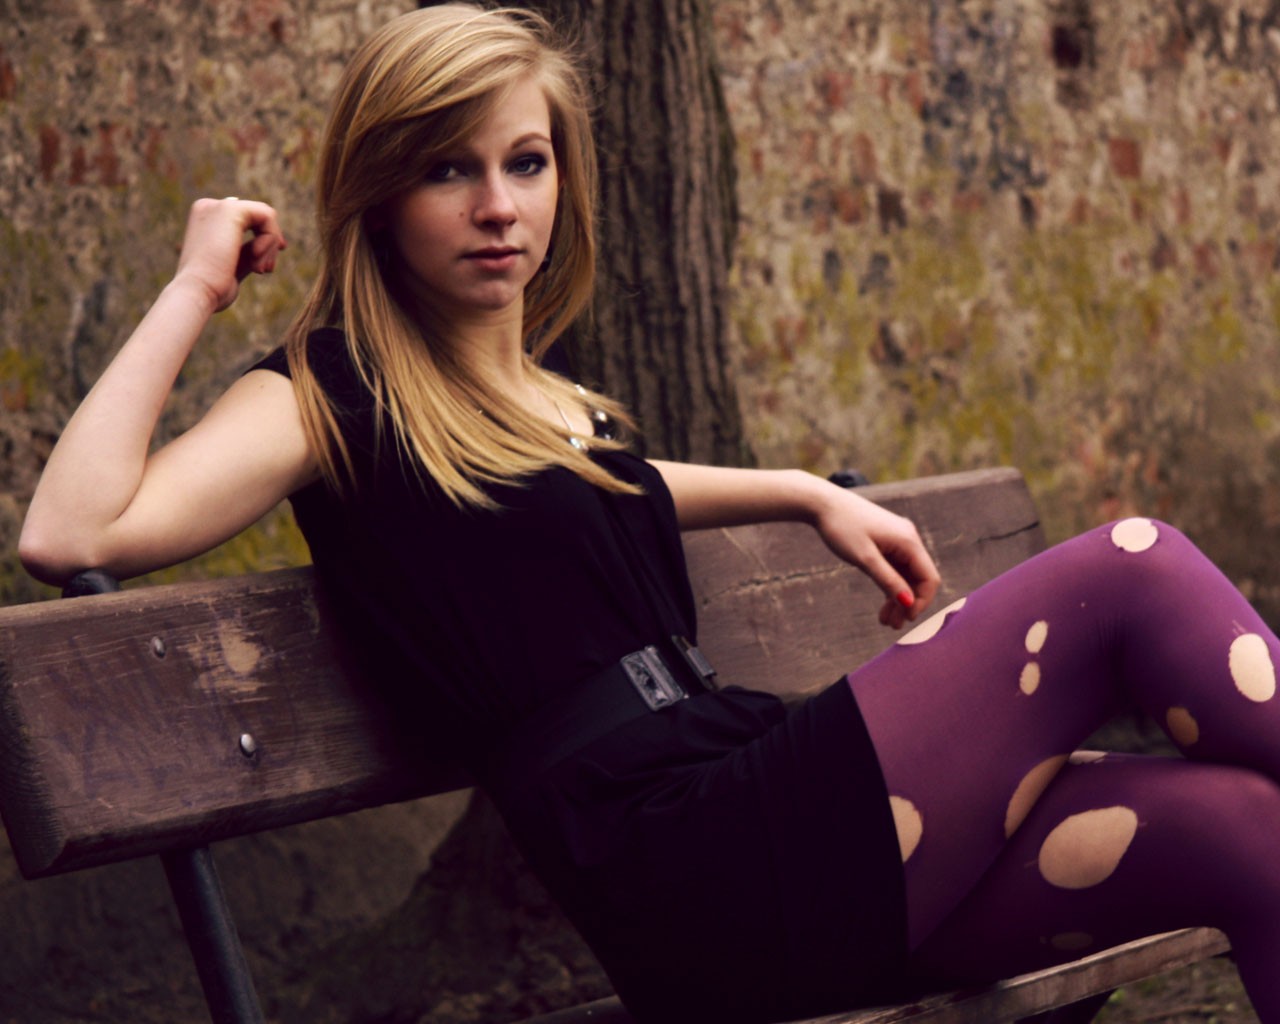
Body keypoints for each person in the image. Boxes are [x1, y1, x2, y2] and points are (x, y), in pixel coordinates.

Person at [19, 5, 1280, 1022]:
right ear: (381, 196)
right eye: (448, 169)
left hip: (761, 826)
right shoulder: (328, 395)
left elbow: (611, 486)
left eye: (524, 162)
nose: (498, 205)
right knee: (1130, 566)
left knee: (1247, 832)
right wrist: (194, 287)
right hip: (694, 866)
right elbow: (71, 531)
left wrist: (798, 493)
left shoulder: (550, 407)